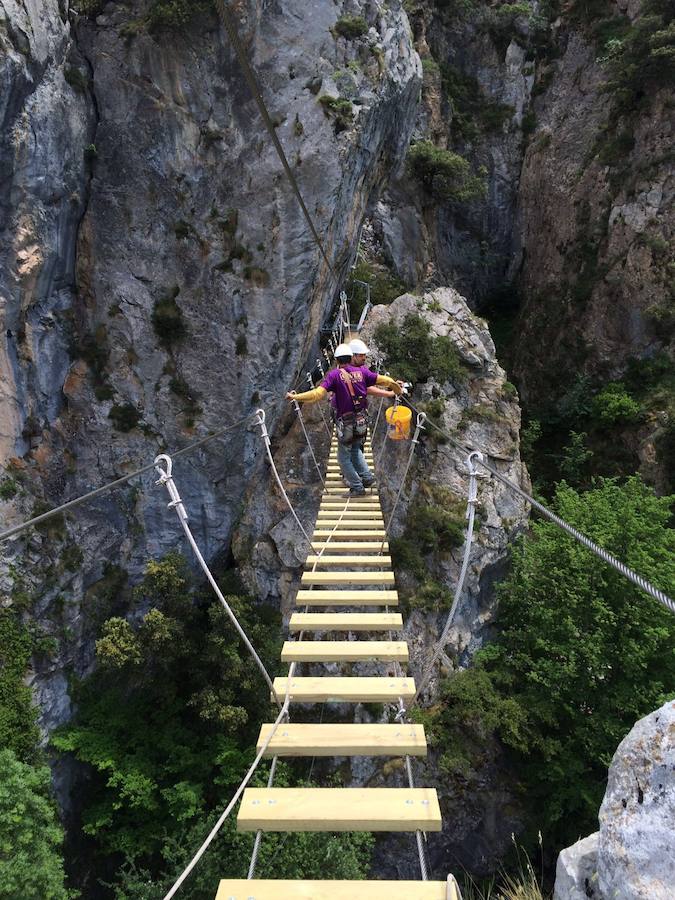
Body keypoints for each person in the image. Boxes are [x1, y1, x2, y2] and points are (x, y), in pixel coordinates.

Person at [287, 343, 402, 496]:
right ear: (351, 357)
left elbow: (316, 394)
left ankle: (357, 487)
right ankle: (367, 477)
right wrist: (397, 390)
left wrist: (296, 396)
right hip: (362, 421)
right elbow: (386, 381)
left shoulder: (334, 375)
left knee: (343, 458)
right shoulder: (363, 372)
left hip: (346, 423)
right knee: (355, 449)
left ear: (336, 360)